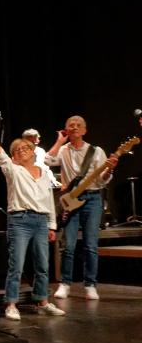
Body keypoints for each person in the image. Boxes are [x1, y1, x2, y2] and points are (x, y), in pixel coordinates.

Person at [0, 119, 65, 319]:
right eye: (18, 150)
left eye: (26, 147)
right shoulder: (13, 170)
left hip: (41, 221)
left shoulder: (43, 173)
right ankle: (11, 304)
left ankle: (43, 301)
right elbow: (0, 154)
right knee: (16, 264)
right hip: (20, 220)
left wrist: (52, 225)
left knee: (42, 265)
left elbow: (49, 201)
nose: (23, 150)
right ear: (14, 158)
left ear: (34, 152)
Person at [46, 115, 119, 300]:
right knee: (68, 245)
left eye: (79, 125)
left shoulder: (96, 151)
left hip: (92, 199)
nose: (75, 127)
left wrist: (110, 169)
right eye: (71, 125)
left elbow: (102, 181)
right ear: (66, 130)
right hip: (71, 201)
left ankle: (90, 284)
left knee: (90, 245)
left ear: (85, 130)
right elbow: (46, 161)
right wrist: (59, 141)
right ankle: (65, 283)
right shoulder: (63, 150)